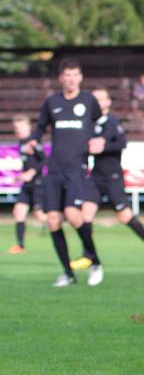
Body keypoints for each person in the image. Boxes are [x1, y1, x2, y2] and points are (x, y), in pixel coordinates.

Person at [25, 58, 104, 287]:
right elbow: (40, 126)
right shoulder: (52, 102)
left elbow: (101, 124)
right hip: (55, 168)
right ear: (60, 78)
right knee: (52, 220)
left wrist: (99, 140)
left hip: (76, 168)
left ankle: (95, 261)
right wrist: (32, 140)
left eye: (74, 74)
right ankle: (68, 273)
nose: (70, 79)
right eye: (66, 75)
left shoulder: (88, 101)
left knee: (72, 213)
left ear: (80, 77)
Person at [70, 88, 144, 271]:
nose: (97, 103)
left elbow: (122, 143)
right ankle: (88, 255)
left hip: (112, 176)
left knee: (124, 216)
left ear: (107, 102)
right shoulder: (90, 122)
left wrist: (103, 147)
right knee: (84, 216)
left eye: (101, 99)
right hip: (95, 176)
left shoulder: (111, 121)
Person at [8, 115, 47, 254]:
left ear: (29, 127)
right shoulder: (21, 142)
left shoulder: (33, 141)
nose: (19, 130)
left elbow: (44, 160)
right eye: (17, 128)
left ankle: (57, 223)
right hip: (26, 184)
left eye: (21, 127)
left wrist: (31, 172)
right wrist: (20, 177)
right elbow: (28, 163)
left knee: (40, 215)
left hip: (37, 183)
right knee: (18, 212)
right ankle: (20, 246)